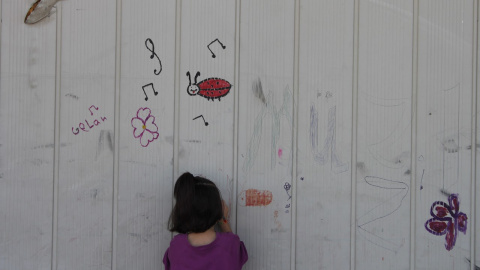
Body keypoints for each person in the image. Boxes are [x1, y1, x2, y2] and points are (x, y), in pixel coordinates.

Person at [163, 172, 248, 270]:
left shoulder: (176, 246)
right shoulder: (230, 244)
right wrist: (223, 219)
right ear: (217, 209)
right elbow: (237, 253)